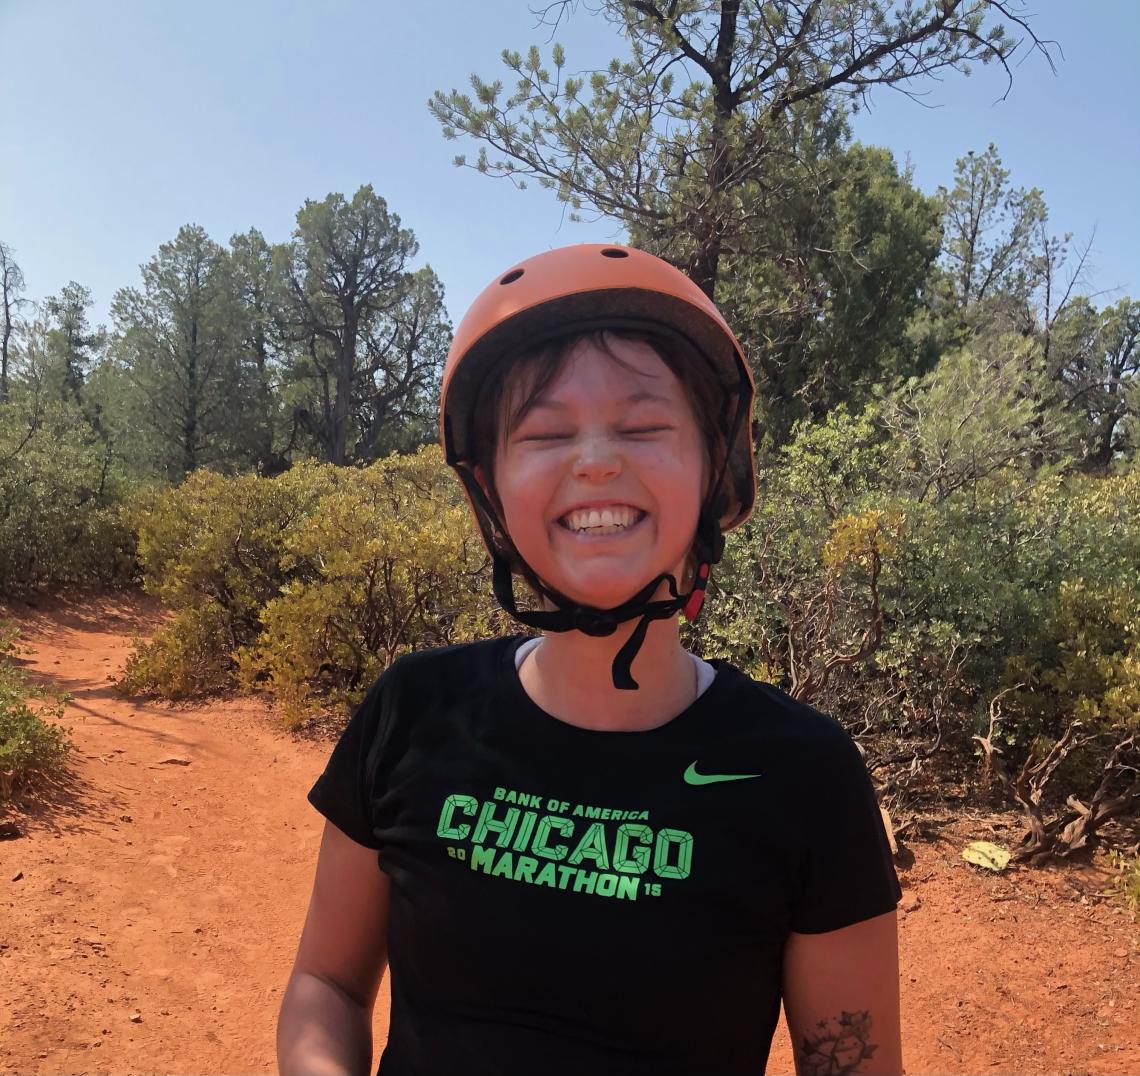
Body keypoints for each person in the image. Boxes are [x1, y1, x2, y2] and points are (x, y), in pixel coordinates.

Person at [277, 244, 903, 1076]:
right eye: (545, 432)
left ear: (716, 470)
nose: (597, 459)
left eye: (645, 425)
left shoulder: (803, 773)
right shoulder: (412, 710)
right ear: (489, 489)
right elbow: (326, 982)